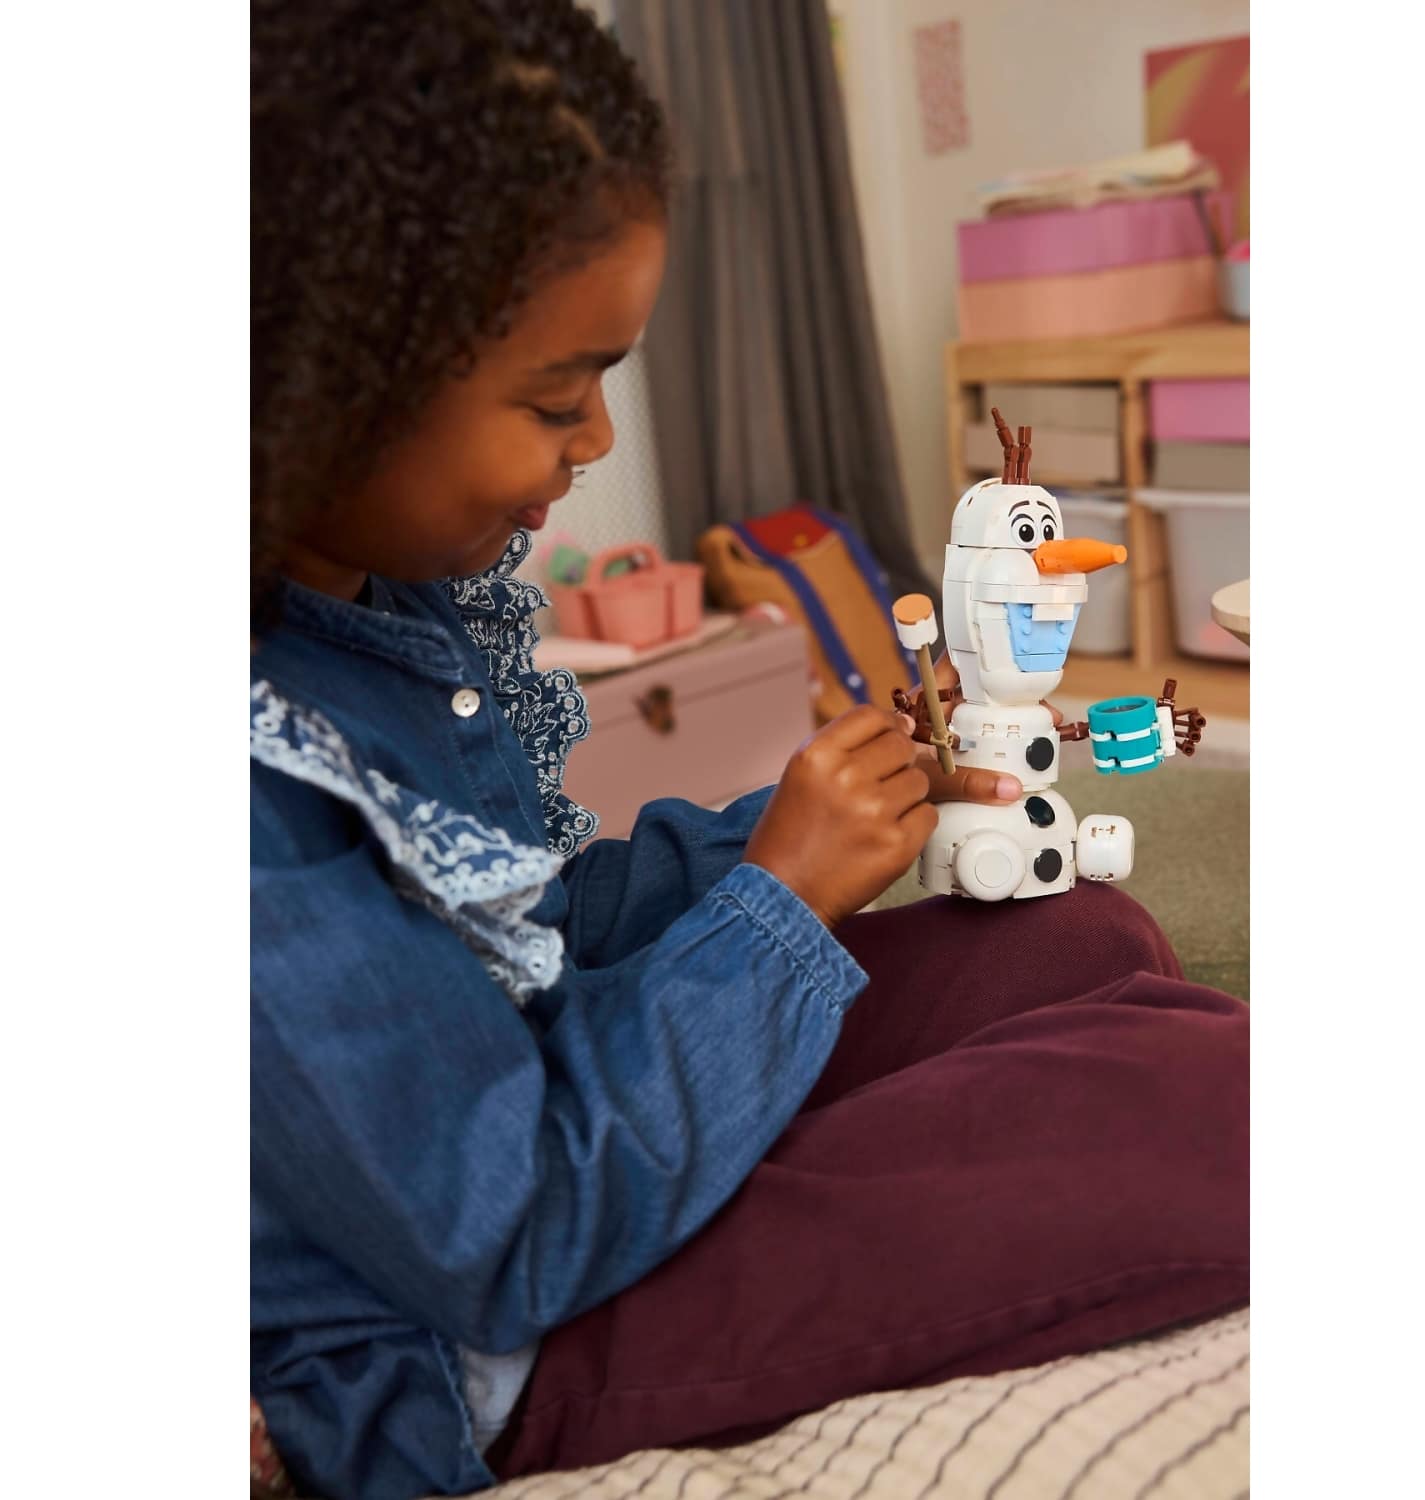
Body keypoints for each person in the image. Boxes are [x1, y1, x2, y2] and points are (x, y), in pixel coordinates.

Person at [250, 3, 1249, 1497]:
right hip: (496, 1340)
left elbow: (537, 926)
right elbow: (508, 1227)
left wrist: (798, 827)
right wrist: (779, 906)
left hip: (581, 1108)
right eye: (555, 397)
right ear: (316, 381)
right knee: (1217, 1108)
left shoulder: (381, 611)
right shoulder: (247, 804)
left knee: (1080, 938)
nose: (596, 439)